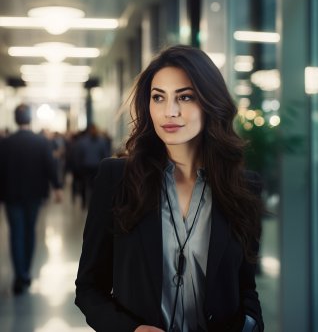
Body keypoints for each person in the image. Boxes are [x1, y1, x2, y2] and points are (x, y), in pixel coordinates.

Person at [75, 45, 264, 332]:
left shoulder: (243, 187)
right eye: (158, 98)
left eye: (185, 97)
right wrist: (131, 330)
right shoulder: (117, 179)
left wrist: (249, 324)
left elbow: (245, 288)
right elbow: (89, 288)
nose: (169, 112)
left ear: (210, 103)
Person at [0, 103, 63, 294]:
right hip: (34, 194)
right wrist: (57, 187)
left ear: (15, 118)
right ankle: (26, 271)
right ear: (30, 118)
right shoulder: (41, 142)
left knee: (16, 234)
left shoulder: (5, 142)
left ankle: (20, 275)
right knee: (30, 232)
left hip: (11, 195)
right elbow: (50, 165)